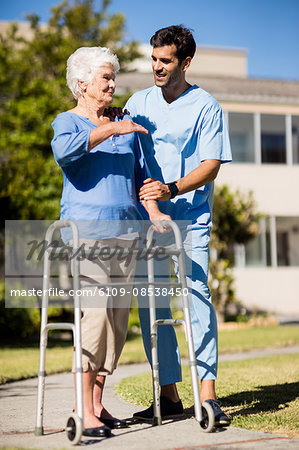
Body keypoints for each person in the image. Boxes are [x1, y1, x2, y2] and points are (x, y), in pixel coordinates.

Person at [51, 46, 169, 438]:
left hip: (127, 233)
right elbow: (64, 153)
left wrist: (153, 213)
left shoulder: (126, 126)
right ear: (82, 83)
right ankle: (82, 410)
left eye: (113, 77)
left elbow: (143, 179)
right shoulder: (68, 123)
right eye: (105, 77)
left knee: (117, 324)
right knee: (96, 317)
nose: (112, 84)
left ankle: (97, 404)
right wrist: (112, 129)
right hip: (87, 235)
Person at [124, 25, 232, 426]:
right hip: (148, 222)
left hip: (190, 219)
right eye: (153, 58)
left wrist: (171, 188)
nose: (156, 66)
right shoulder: (138, 102)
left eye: (165, 60)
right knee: (152, 304)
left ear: (185, 62)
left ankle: (207, 395)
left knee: (196, 299)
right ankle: (168, 395)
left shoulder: (206, 106)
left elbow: (211, 165)